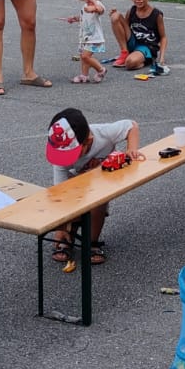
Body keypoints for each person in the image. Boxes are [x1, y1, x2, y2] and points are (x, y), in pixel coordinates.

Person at [44, 108, 141, 267]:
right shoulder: (60, 156)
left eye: (70, 153)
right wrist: (60, 227)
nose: (63, 159)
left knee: (98, 203)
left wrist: (131, 149)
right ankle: (67, 235)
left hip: (99, 181)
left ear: (88, 141)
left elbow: (132, 126)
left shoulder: (104, 134)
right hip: (73, 184)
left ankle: (91, 243)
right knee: (67, 204)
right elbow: (59, 193)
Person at [110, 0, 168, 75]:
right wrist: (115, 17)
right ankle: (124, 52)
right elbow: (125, 30)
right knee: (115, 16)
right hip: (133, 42)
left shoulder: (156, 14)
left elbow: (163, 37)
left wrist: (161, 58)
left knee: (129, 63)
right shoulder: (131, 11)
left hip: (146, 47)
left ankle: (144, 60)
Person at [65, 0, 109, 84]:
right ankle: (84, 75)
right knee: (82, 56)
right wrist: (75, 18)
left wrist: (93, 8)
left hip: (94, 37)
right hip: (85, 37)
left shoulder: (96, 3)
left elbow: (101, 10)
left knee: (85, 56)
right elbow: (84, 18)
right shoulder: (84, 6)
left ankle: (101, 69)